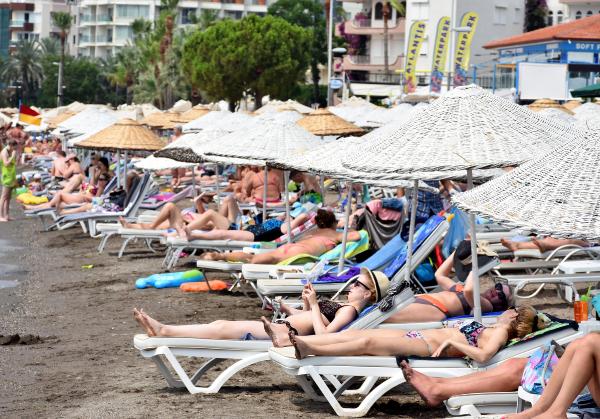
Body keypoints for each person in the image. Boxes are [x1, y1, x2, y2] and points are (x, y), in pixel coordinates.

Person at [133, 268, 389, 341]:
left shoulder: (349, 311)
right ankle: (165, 330)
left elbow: (323, 338)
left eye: (358, 284)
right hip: (285, 326)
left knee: (222, 327)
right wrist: (296, 307)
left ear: (368, 294)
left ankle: (165, 330)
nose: (352, 285)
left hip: (284, 333)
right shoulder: (342, 306)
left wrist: (312, 305)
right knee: (221, 325)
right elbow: (313, 321)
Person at [285, 306, 547, 361]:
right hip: (420, 336)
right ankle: (301, 340)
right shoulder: (495, 329)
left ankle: (310, 349)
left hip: (425, 346)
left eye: (511, 308)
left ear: (514, 315)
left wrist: (451, 341)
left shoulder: (500, 332)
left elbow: (484, 356)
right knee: (357, 335)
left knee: (366, 342)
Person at [384, 240, 512, 323]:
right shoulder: (463, 290)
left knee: (382, 317)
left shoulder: (487, 307)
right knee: (378, 312)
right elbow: (440, 275)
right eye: (498, 287)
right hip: (425, 300)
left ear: (501, 305)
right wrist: (458, 252)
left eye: (501, 295)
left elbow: (468, 291)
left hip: (435, 309)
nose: (496, 291)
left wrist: (476, 265)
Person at [199, 209, 362, 264]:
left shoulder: (313, 232)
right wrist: (347, 226)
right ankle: (218, 256)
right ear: (333, 223)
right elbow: (356, 237)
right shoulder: (335, 234)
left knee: (254, 258)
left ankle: (220, 256)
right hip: (298, 253)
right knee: (253, 260)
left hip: (291, 247)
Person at [0, 139, 18, 222]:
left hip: (11, 177)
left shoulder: (10, 151)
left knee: (8, 198)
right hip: (6, 177)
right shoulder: (4, 152)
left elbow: (13, 164)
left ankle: (7, 215)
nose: (15, 149)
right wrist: (12, 157)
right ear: (11, 145)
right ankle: (0, 216)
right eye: (15, 147)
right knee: (3, 197)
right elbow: (6, 163)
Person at [500, 237, 589, 253]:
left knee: (572, 241)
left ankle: (518, 245)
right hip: (588, 241)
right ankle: (517, 245)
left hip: (590, 244)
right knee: (550, 240)